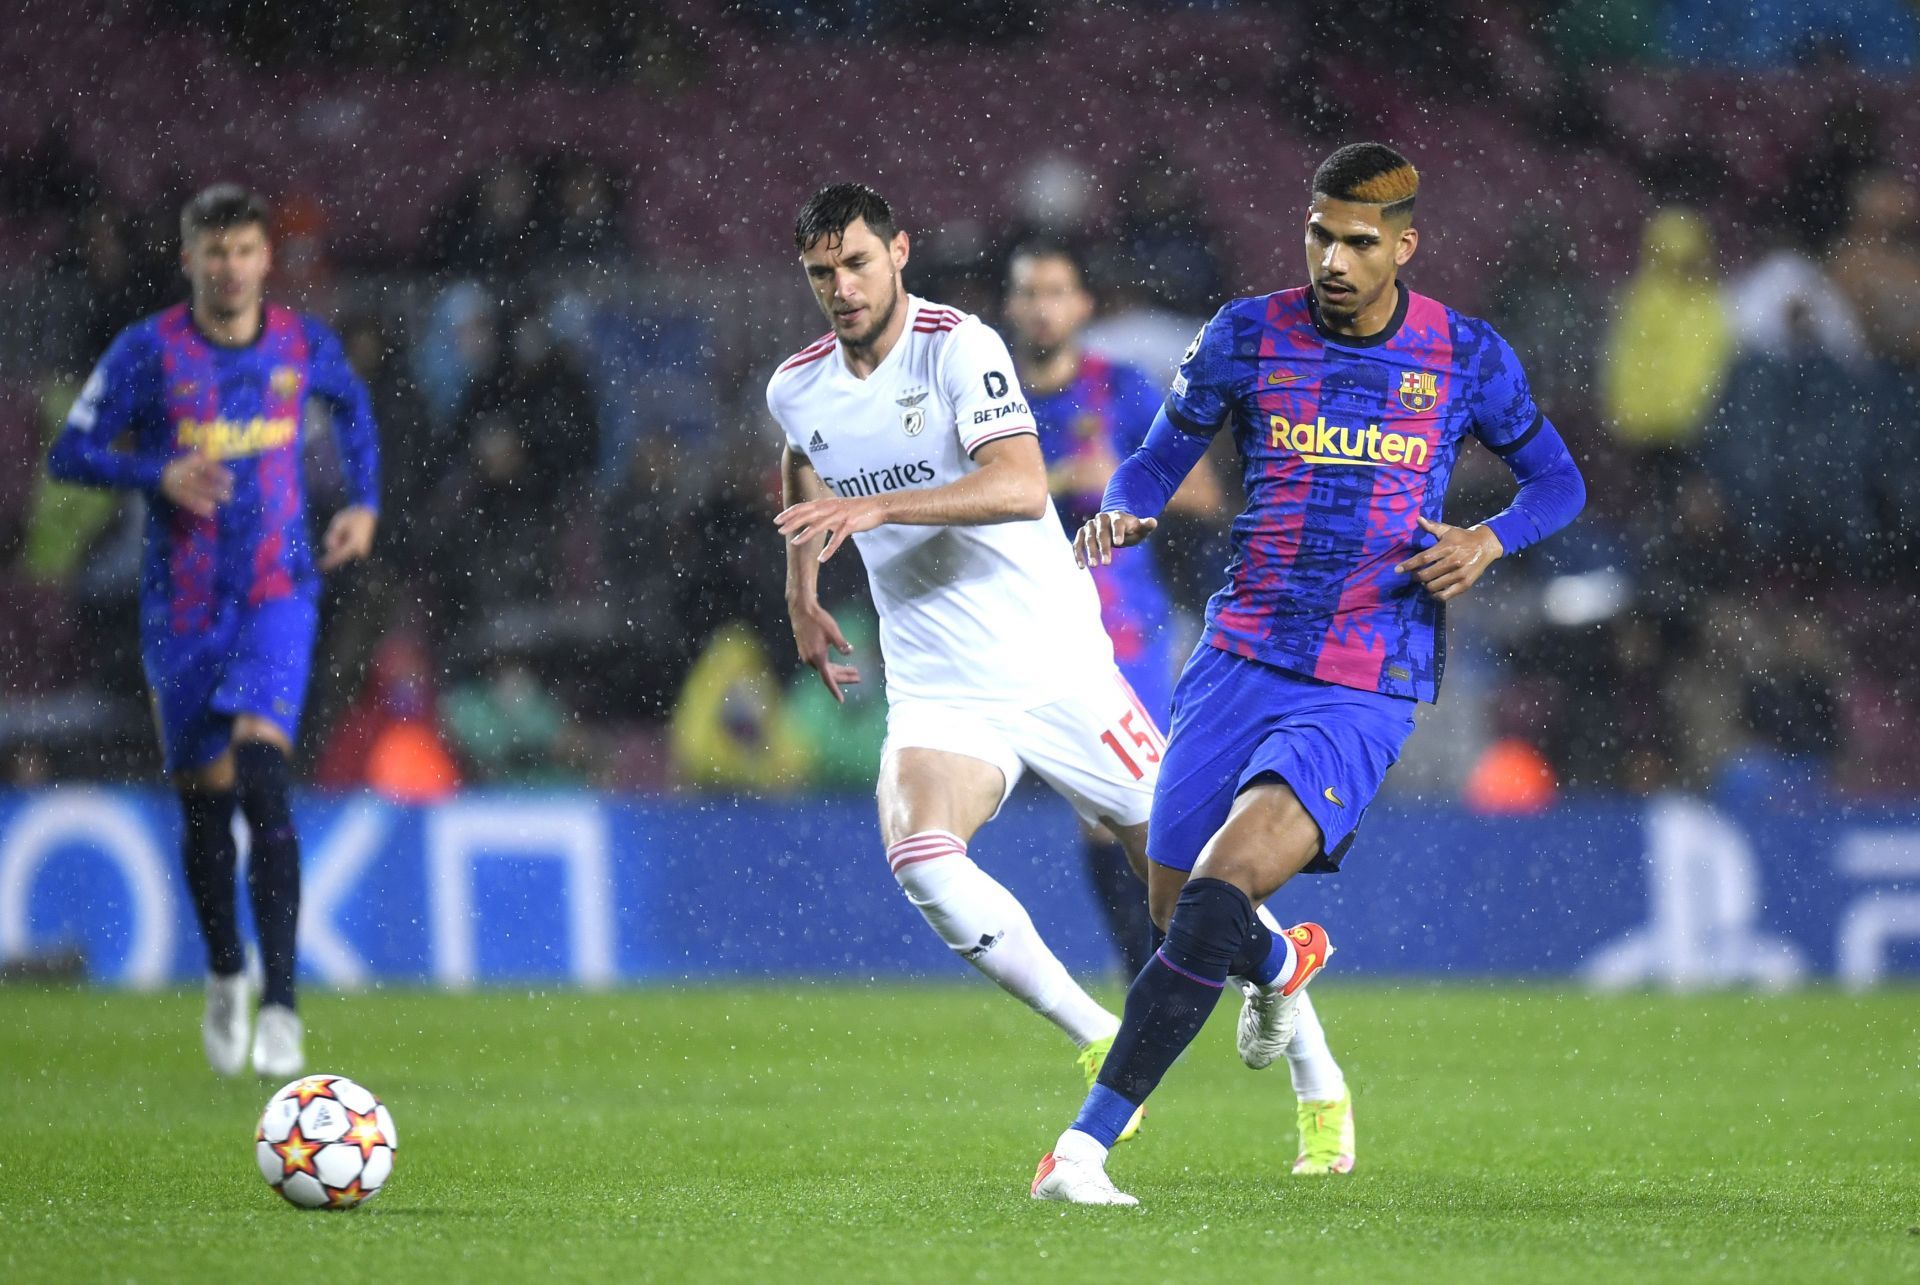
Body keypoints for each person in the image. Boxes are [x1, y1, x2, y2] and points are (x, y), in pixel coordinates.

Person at [1030, 143, 1587, 1204]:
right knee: (1172, 915)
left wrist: (1489, 540)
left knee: (1213, 897)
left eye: (1360, 242)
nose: (1334, 258)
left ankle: (1083, 1149)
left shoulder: (1465, 356)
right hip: (1237, 654)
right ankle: (1283, 965)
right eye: (1320, 235)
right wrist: (1130, 501)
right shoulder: (1245, 334)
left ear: (1405, 247)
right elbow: (1161, 450)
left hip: (1364, 675)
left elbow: (1558, 482)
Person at [766, 183, 1158, 1135]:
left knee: (1192, 865)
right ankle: (1098, 1030)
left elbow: (1024, 487)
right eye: (822, 272)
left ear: (899, 250)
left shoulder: (961, 344)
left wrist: (880, 508)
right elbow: (803, 454)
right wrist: (801, 587)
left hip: (1059, 653)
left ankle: (1304, 1043)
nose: (841, 287)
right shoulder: (795, 383)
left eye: (856, 263)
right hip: (941, 680)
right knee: (922, 857)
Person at [47, 184, 379, 1079]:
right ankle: (225, 971)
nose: (230, 268)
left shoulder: (300, 343)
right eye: (213, 252)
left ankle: (281, 1001)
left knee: (265, 773)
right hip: (183, 606)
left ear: (266, 258)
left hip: (279, 589)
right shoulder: (147, 352)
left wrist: (364, 503)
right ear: (188, 258)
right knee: (205, 806)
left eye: (244, 251)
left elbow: (353, 408)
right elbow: (68, 452)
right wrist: (158, 470)